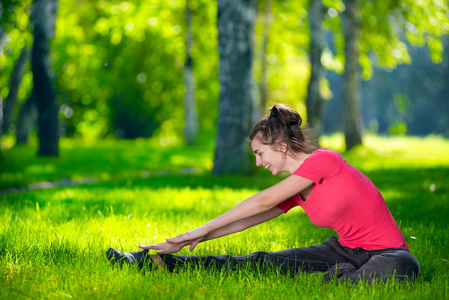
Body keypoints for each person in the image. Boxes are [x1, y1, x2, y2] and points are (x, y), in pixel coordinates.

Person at [106, 104, 419, 284]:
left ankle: (345, 276)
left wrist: (197, 229)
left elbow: (262, 200)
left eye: (259, 153)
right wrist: (191, 239)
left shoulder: (324, 160)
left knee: (404, 265)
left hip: (386, 254)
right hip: (342, 251)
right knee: (260, 261)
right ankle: (157, 262)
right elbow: (245, 221)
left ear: (281, 146)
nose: (258, 162)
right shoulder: (297, 190)